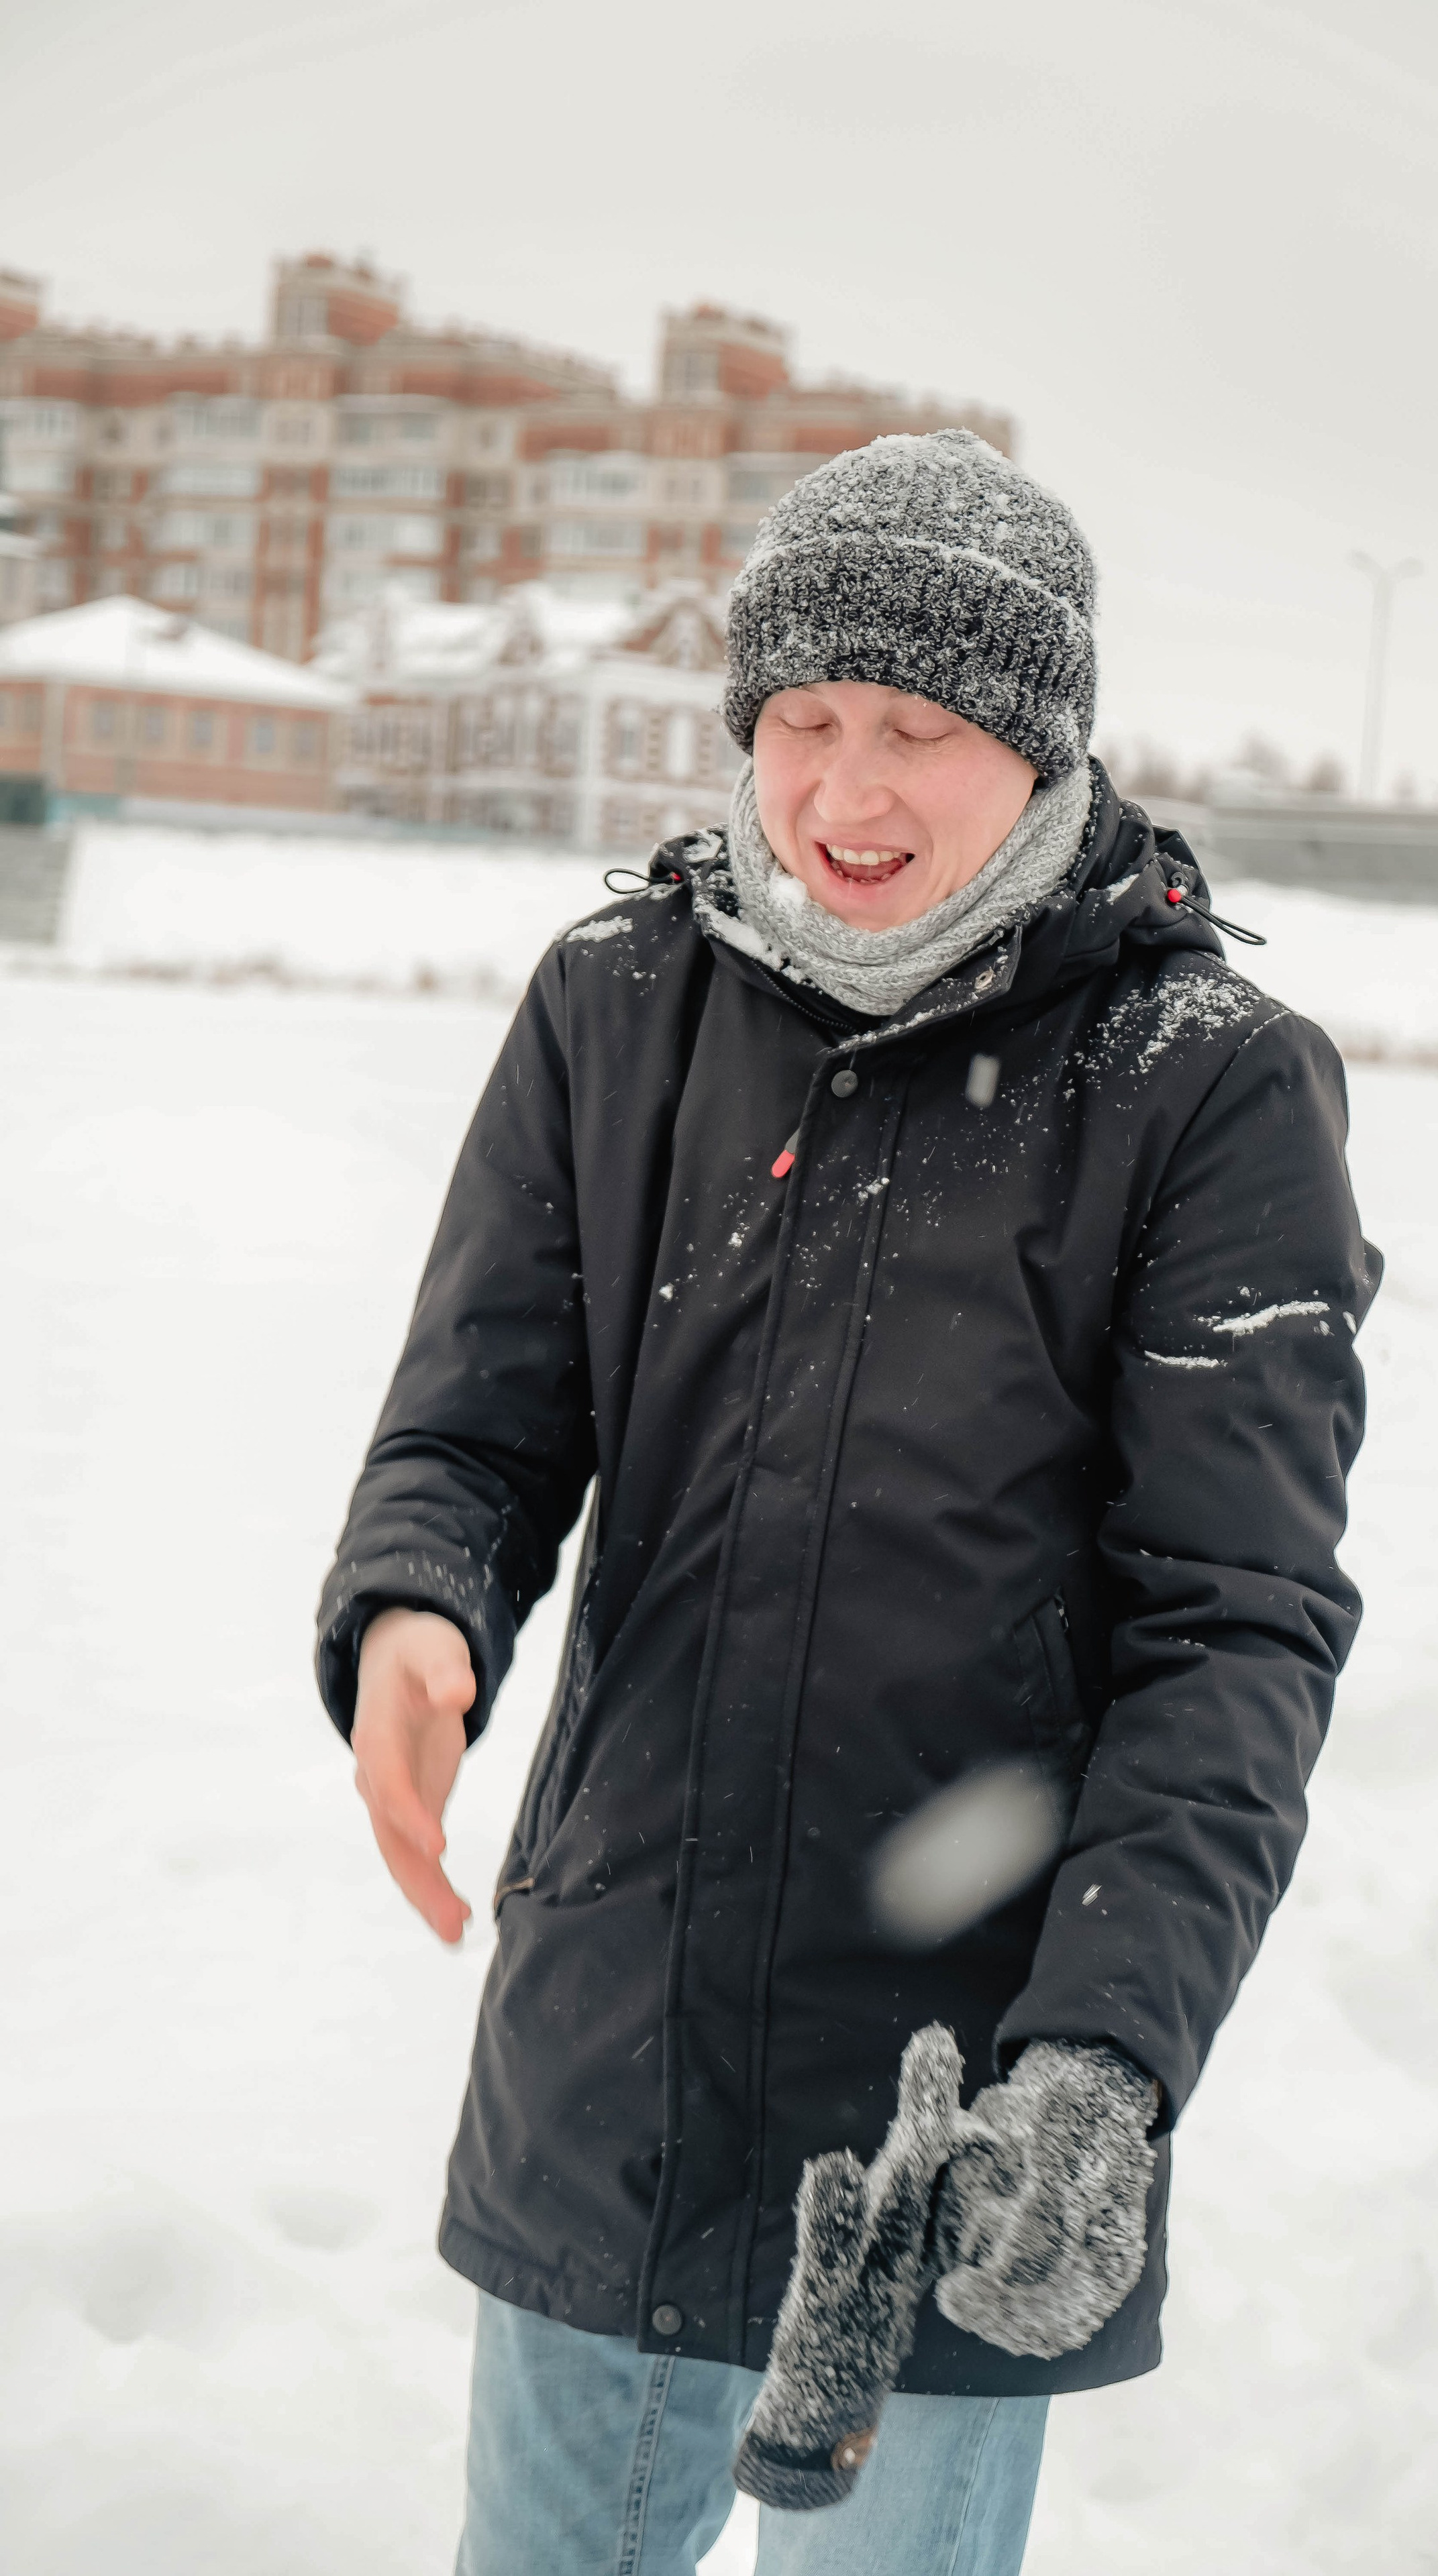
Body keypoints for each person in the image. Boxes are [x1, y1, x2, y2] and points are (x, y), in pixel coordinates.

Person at [317, 427, 1378, 2576]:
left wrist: (1101, 2057)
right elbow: (481, 1427)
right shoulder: (621, 1010)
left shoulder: (1200, 1083)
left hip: (954, 2096)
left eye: (921, 730)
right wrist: (424, 1602)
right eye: (803, 721)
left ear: (1043, 742)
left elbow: (1235, 1624)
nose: (846, 795)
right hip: (618, 2038)